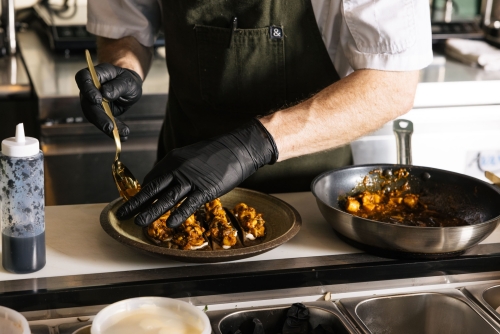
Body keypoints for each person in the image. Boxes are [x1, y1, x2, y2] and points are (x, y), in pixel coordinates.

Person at [75, 0, 433, 229]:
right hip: (181, 189)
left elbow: (392, 84)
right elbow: (126, 24)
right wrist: (125, 66)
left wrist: (252, 144)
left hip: (306, 200)